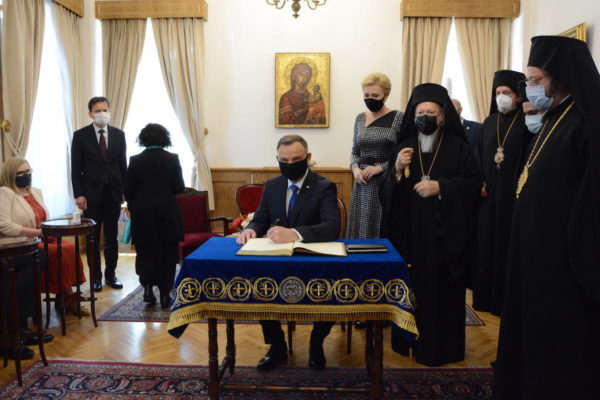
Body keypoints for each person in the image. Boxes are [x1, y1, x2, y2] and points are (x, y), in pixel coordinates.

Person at [493, 35, 600, 399]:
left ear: (561, 76)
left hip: (562, 261)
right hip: (533, 252)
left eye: (536, 80)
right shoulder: (554, 118)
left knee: (559, 345)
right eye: (529, 80)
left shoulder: (585, 122)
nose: (530, 88)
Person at [382, 83, 481, 367]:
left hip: (445, 236)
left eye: (431, 113)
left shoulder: (459, 148)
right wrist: (397, 170)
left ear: (442, 116)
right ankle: (406, 343)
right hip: (410, 236)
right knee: (411, 288)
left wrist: (442, 187)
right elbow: (387, 194)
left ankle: (442, 348)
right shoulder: (403, 146)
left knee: (441, 294)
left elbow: (473, 185)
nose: (425, 117)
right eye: (420, 112)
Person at [237, 134, 340, 371]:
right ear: (277, 159)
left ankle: (316, 342)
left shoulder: (324, 186)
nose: (290, 164)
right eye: (284, 160)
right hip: (277, 259)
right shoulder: (273, 185)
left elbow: (332, 227)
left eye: (296, 159)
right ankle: (277, 345)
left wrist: (294, 233)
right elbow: (261, 219)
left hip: (313, 260)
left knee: (332, 285)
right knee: (259, 284)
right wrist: (251, 230)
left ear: (308, 157)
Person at [472, 70, 533, 316]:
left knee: (506, 245)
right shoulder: (489, 122)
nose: (501, 97)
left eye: (506, 92)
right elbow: (477, 156)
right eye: (497, 92)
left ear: (518, 95)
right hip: (488, 196)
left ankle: (503, 301)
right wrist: (479, 181)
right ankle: (484, 298)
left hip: (513, 196)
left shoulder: (528, 121)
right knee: (486, 243)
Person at [0, 158, 68, 358]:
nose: (26, 176)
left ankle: (21, 327)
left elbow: (43, 218)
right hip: (8, 248)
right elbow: (4, 225)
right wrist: (37, 232)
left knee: (39, 257)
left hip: (27, 246)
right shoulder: (5, 193)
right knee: (35, 260)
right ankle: (14, 328)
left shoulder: (36, 192)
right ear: (10, 175)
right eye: (21, 173)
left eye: (28, 171)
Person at [124, 124, 185, 309]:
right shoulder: (173, 159)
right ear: (164, 138)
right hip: (167, 212)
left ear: (143, 139)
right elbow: (179, 187)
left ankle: (148, 289)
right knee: (168, 253)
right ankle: (165, 294)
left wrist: (134, 207)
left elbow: (128, 190)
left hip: (143, 213)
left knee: (145, 251)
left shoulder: (135, 160)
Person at [71, 96, 127, 292]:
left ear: (109, 111)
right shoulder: (80, 136)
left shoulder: (119, 135)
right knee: (93, 239)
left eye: (105, 110)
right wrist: (79, 194)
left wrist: (125, 192)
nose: (102, 113)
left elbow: (123, 166)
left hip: (113, 194)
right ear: (90, 114)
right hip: (90, 196)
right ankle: (96, 277)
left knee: (112, 238)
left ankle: (111, 275)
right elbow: (75, 169)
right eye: (98, 111)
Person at [346, 72, 403, 239]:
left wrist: (381, 167)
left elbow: (402, 152)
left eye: (375, 95)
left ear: (386, 95)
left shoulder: (398, 117)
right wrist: (355, 169)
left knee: (380, 226)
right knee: (359, 229)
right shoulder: (360, 118)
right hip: (361, 181)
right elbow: (355, 151)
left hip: (385, 182)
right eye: (366, 95)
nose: (370, 99)